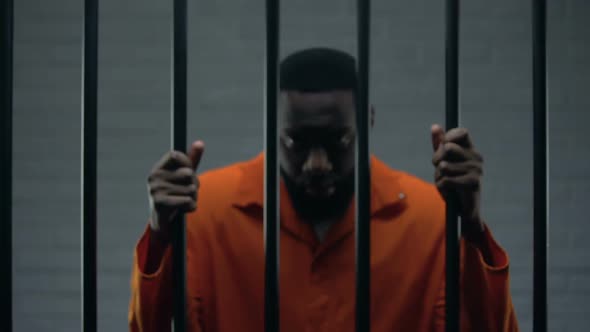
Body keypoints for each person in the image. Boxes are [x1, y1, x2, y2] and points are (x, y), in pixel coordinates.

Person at [128, 47, 519, 332]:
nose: (317, 164)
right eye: (297, 143)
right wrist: (161, 233)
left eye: (338, 142)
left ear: (368, 123)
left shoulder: (430, 218)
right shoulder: (204, 211)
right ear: (271, 129)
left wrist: (470, 226)